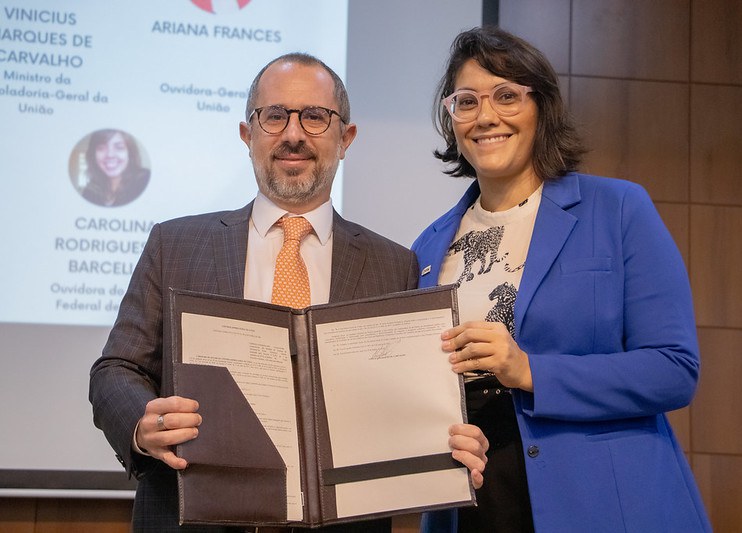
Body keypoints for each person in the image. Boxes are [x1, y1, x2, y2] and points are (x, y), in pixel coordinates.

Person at [89, 53, 488, 532]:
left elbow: (405, 402)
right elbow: (116, 369)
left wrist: (447, 444)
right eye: (274, 116)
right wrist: (143, 425)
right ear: (247, 135)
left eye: (315, 117)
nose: (293, 134)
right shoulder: (174, 245)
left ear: (346, 138)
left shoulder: (393, 264)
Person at [412, 27, 712, 532]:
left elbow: (673, 370)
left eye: (507, 96)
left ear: (542, 108)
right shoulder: (427, 246)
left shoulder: (618, 209)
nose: (485, 117)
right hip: (473, 503)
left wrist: (531, 370)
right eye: (466, 102)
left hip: (600, 503)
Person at [81, 129, 150, 207]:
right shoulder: (90, 192)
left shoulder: (145, 181)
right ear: (93, 155)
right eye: (101, 148)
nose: (110, 155)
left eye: (119, 147)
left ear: (130, 154)